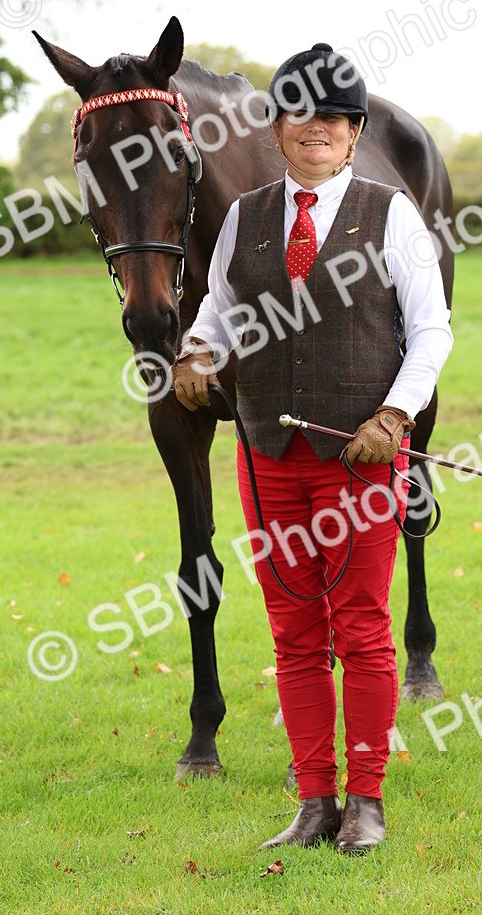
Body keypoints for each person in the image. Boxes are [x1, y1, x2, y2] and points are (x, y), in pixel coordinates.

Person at [172, 43, 453, 853]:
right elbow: (217, 313)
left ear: (355, 129)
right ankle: (313, 801)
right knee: (293, 634)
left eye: (334, 116)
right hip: (267, 454)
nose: (317, 128)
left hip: (362, 455)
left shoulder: (390, 214)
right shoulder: (244, 218)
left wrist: (396, 418)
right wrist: (195, 353)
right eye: (302, 113)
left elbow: (431, 331)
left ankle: (365, 800)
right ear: (279, 124)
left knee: (361, 628)